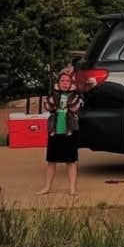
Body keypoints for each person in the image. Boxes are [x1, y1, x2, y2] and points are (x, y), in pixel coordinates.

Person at [37, 64, 84, 196]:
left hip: (70, 129)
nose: (64, 83)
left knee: (71, 160)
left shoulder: (76, 95)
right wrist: (54, 95)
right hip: (55, 129)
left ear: (71, 83)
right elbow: (48, 106)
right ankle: (47, 187)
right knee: (51, 160)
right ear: (58, 82)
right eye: (62, 81)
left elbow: (75, 107)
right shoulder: (53, 94)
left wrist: (71, 95)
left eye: (67, 81)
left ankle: (72, 188)